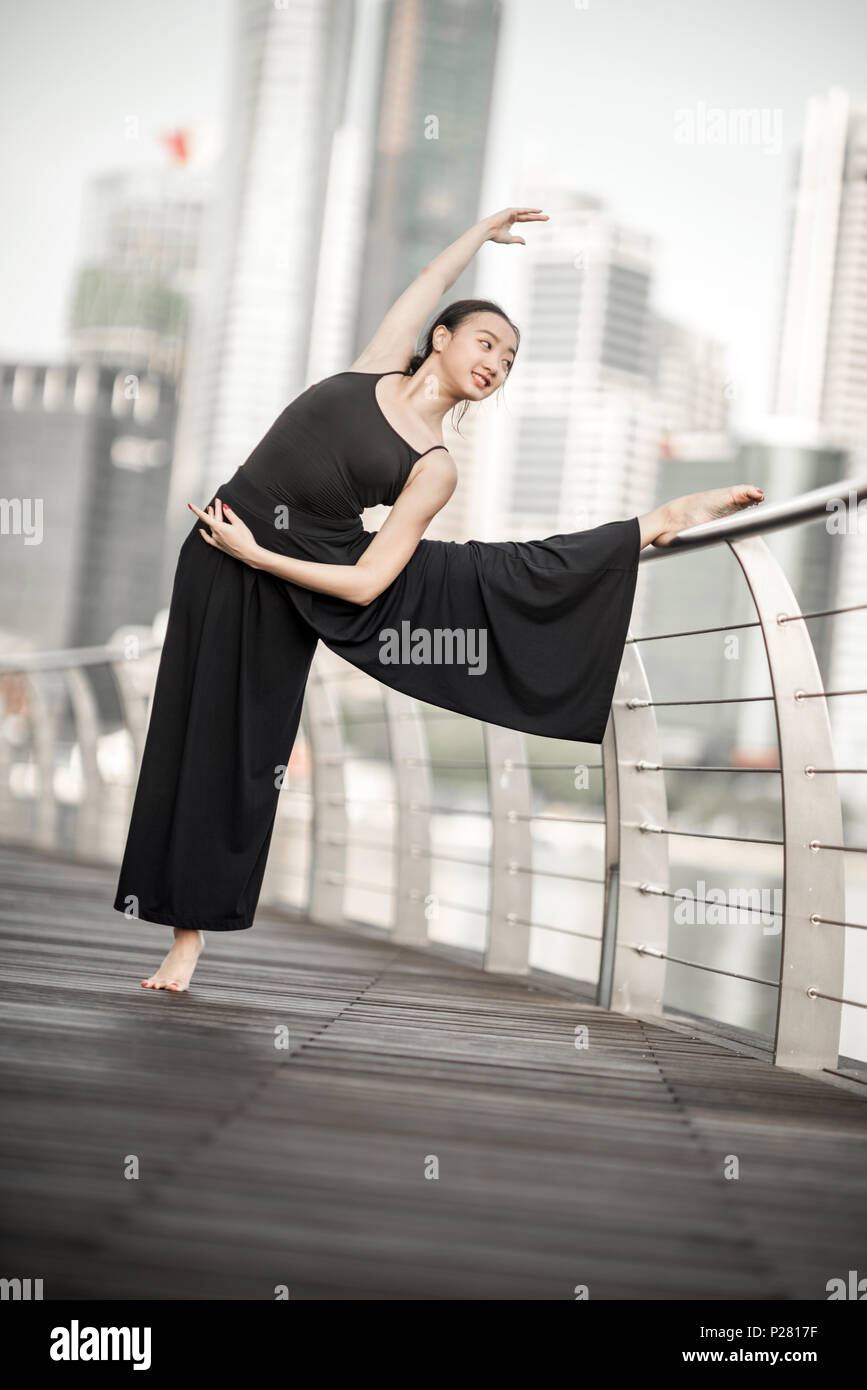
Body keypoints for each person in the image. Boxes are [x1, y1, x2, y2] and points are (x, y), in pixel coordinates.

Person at [115, 207, 764, 991]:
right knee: (186, 733)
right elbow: (430, 280)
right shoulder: (375, 366)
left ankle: (650, 525)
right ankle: (161, 907)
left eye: (510, 361)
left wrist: (262, 554)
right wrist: (481, 230)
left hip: (286, 575)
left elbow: (365, 582)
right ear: (442, 339)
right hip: (213, 555)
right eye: (486, 343)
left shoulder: (434, 466)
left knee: (248, 751)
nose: (496, 362)